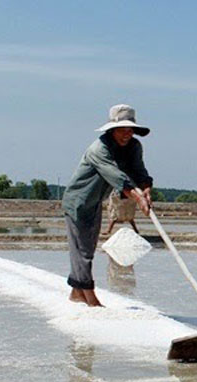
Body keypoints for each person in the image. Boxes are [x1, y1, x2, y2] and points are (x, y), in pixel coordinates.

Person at [62, 104, 153, 307]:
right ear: (112, 129)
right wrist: (138, 199)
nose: (126, 134)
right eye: (122, 130)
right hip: (78, 202)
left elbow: (139, 171)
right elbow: (116, 176)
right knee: (82, 250)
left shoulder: (134, 147)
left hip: (95, 202)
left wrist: (146, 189)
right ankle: (90, 297)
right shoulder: (99, 149)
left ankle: (76, 293)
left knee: (87, 248)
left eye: (130, 130)